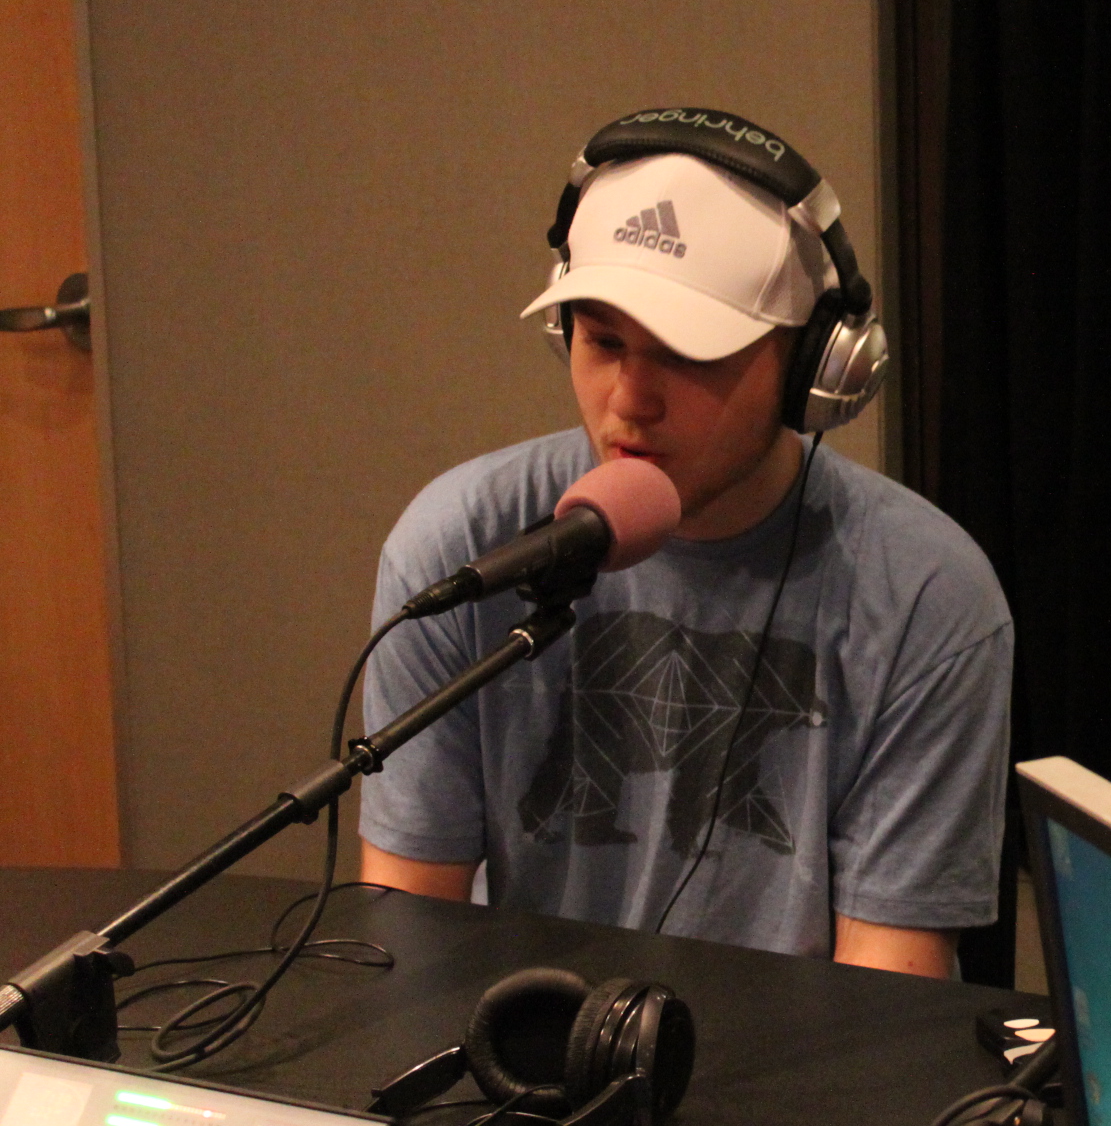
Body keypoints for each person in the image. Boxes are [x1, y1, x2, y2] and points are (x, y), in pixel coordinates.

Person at [359, 107, 1013, 978]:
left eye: (686, 355)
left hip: (801, 1089)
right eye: (602, 342)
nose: (629, 400)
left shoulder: (927, 594)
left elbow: (886, 992)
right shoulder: (464, 550)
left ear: (815, 369)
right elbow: (407, 938)